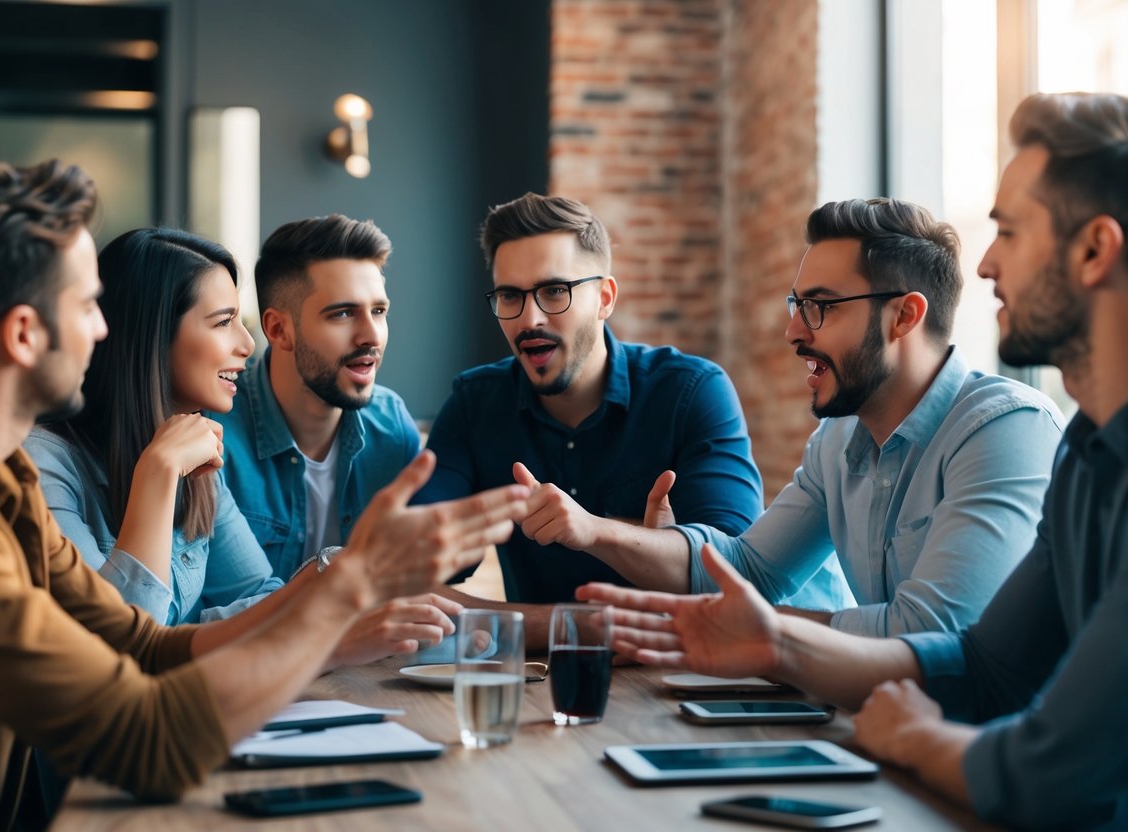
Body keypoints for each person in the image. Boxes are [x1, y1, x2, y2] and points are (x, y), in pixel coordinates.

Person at [0, 158, 532, 830]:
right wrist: (352, 587)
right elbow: (142, 739)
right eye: (89, 305)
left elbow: (141, 644)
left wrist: (333, 597)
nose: (102, 329)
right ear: (24, 332)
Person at [579, 92, 1128, 830]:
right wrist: (773, 644)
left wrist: (911, 733)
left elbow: (1042, 769)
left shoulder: (1016, 429)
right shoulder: (1089, 459)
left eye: (1008, 230)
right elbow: (982, 666)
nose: (989, 262)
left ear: (1094, 250)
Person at [25, 227, 457, 670]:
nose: (248, 345)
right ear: (153, 337)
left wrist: (334, 570)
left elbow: (258, 599)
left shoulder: (199, 452)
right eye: (222, 322)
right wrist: (157, 474)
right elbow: (115, 656)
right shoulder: (45, 467)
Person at [659, 198, 1063, 635]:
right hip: (886, 702)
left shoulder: (1008, 428)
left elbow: (932, 631)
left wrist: (752, 628)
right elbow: (748, 570)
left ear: (905, 317)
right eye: (797, 305)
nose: (793, 331)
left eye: (822, 307)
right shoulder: (838, 438)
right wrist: (587, 530)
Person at [414, 192, 764, 644]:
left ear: (604, 297)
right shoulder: (474, 403)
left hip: (682, 679)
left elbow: (737, 577)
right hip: (538, 683)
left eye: (555, 291)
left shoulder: (691, 391)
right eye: (509, 296)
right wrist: (587, 625)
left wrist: (595, 531)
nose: (529, 319)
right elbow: (411, 577)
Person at [213, 215, 420, 579]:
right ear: (279, 329)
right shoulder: (215, 437)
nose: (371, 335)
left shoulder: (393, 428)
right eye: (342, 314)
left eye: (379, 311)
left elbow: (413, 581)